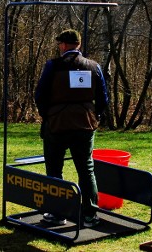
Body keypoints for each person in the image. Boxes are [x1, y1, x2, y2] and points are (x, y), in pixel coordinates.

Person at [34, 29, 109, 228]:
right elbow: (103, 99)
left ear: (64, 45)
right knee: (86, 169)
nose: (59, 47)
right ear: (79, 45)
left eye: (60, 44)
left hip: (56, 125)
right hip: (85, 124)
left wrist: (48, 116)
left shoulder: (52, 65)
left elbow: (40, 95)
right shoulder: (94, 66)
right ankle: (90, 214)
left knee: (54, 169)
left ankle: (58, 213)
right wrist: (95, 116)